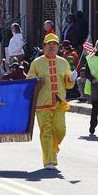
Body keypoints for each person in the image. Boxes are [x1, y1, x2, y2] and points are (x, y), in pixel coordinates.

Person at [27, 33, 77, 170]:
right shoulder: (36, 63)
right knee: (46, 132)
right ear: (43, 46)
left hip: (60, 103)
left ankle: (53, 148)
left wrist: (71, 78)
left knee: (60, 130)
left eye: (54, 44)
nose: (51, 47)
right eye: (48, 44)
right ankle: (49, 160)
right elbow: (29, 81)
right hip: (42, 104)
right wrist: (36, 81)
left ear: (58, 47)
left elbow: (67, 84)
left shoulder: (63, 62)